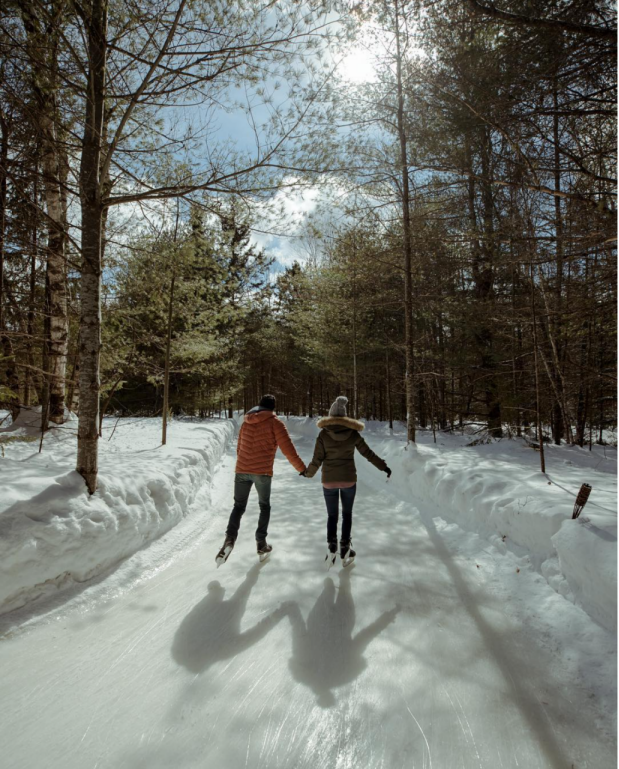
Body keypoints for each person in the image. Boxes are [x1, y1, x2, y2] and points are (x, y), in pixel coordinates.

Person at [216, 394, 306, 565]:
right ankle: (261, 543)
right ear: (273, 408)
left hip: (242, 469)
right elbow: (288, 450)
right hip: (262, 472)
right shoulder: (275, 423)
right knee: (264, 506)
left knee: (238, 506)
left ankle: (229, 540)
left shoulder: (246, 421)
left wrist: (243, 465)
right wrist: (301, 468)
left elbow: (239, 446)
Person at [302, 396, 391, 566]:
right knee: (347, 514)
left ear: (330, 416)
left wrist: (308, 473)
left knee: (332, 515)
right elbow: (368, 453)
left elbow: (317, 459)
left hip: (329, 481)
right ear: (344, 416)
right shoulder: (353, 434)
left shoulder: (323, 434)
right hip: (348, 480)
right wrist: (384, 467)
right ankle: (345, 547)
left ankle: (331, 545)